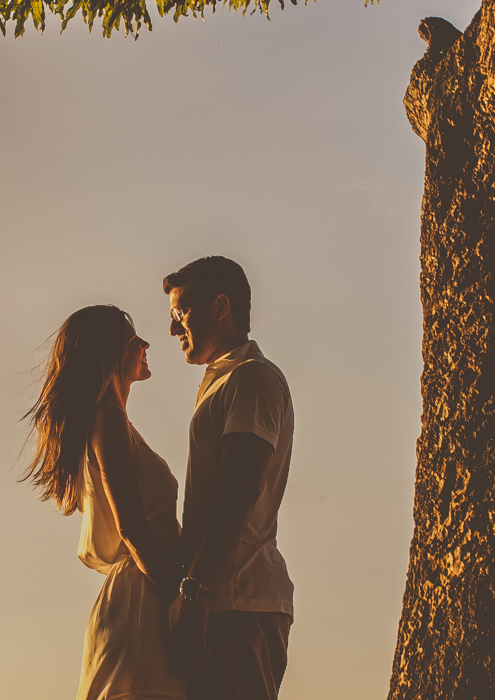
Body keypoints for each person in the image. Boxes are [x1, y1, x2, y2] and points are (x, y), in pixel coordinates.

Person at [23, 305, 188, 700]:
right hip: (143, 603)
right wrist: (183, 601)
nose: (147, 344)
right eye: (134, 340)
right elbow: (132, 526)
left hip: (145, 595)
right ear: (110, 355)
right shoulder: (107, 420)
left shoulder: (114, 421)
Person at [163, 256, 295, 700]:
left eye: (181, 314)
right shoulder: (219, 382)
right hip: (216, 602)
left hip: (238, 601)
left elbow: (241, 487)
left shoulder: (252, 378)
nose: (173, 330)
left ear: (221, 307)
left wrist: (194, 591)